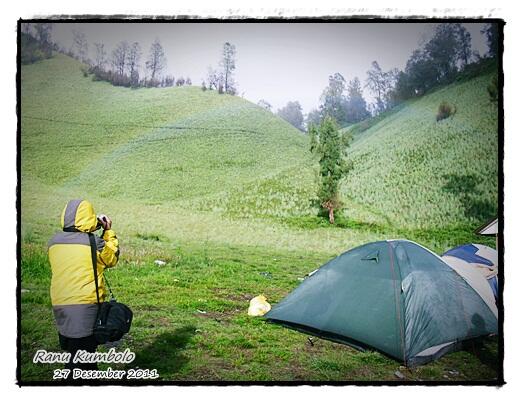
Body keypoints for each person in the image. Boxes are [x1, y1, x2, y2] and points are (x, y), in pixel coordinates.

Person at [48, 199, 120, 372]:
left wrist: (93, 225)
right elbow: (111, 258)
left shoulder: (54, 242)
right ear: (88, 217)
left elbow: (77, 234)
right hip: (84, 305)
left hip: (60, 304)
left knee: (78, 352)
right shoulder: (93, 242)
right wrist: (107, 230)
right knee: (82, 358)